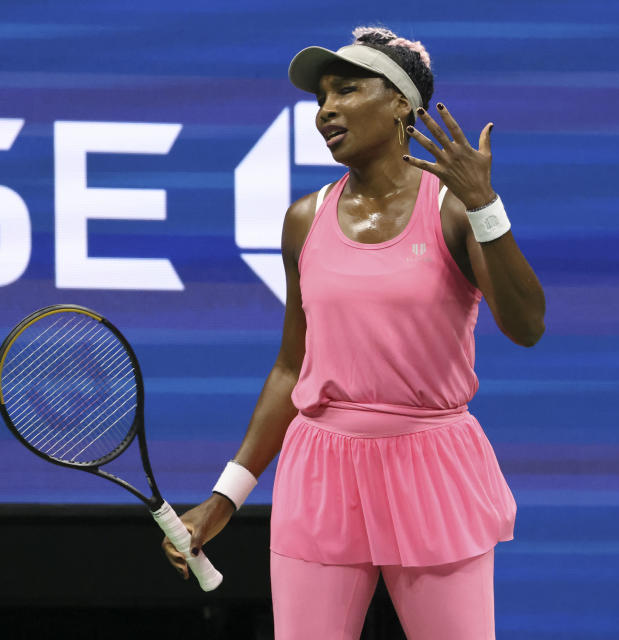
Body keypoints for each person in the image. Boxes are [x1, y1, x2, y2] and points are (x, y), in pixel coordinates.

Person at [163, 25, 545, 639]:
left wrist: (485, 206)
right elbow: (293, 367)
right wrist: (226, 495)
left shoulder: (453, 209)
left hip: (433, 468)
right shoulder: (303, 221)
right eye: (320, 99)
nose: (326, 111)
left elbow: (527, 327)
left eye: (345, 90)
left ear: (400, 103)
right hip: (320, 472)